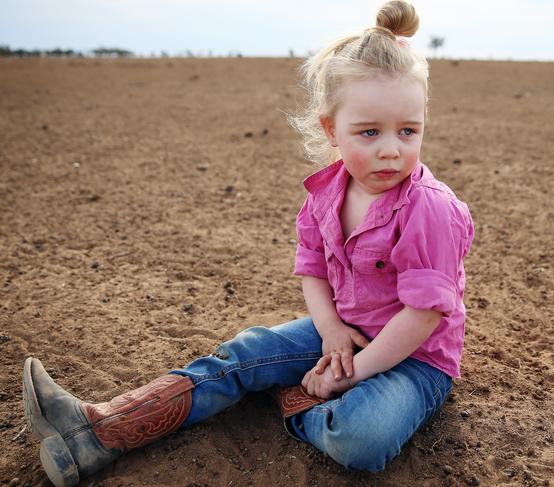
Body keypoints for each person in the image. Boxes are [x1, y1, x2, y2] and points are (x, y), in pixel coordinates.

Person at [22, 1, 474, 486]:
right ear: (331, 130)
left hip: (415, 360)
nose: (391, 148)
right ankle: (102, 429)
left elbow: (423, 315)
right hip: (342, 331)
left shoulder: (429, 207)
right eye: (369, 132)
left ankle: (296, 402)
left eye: (408, 131)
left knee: (362, 437)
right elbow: (313, 269)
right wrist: (332, 332)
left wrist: (351, 373)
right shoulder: (327, 193)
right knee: (251, 349)